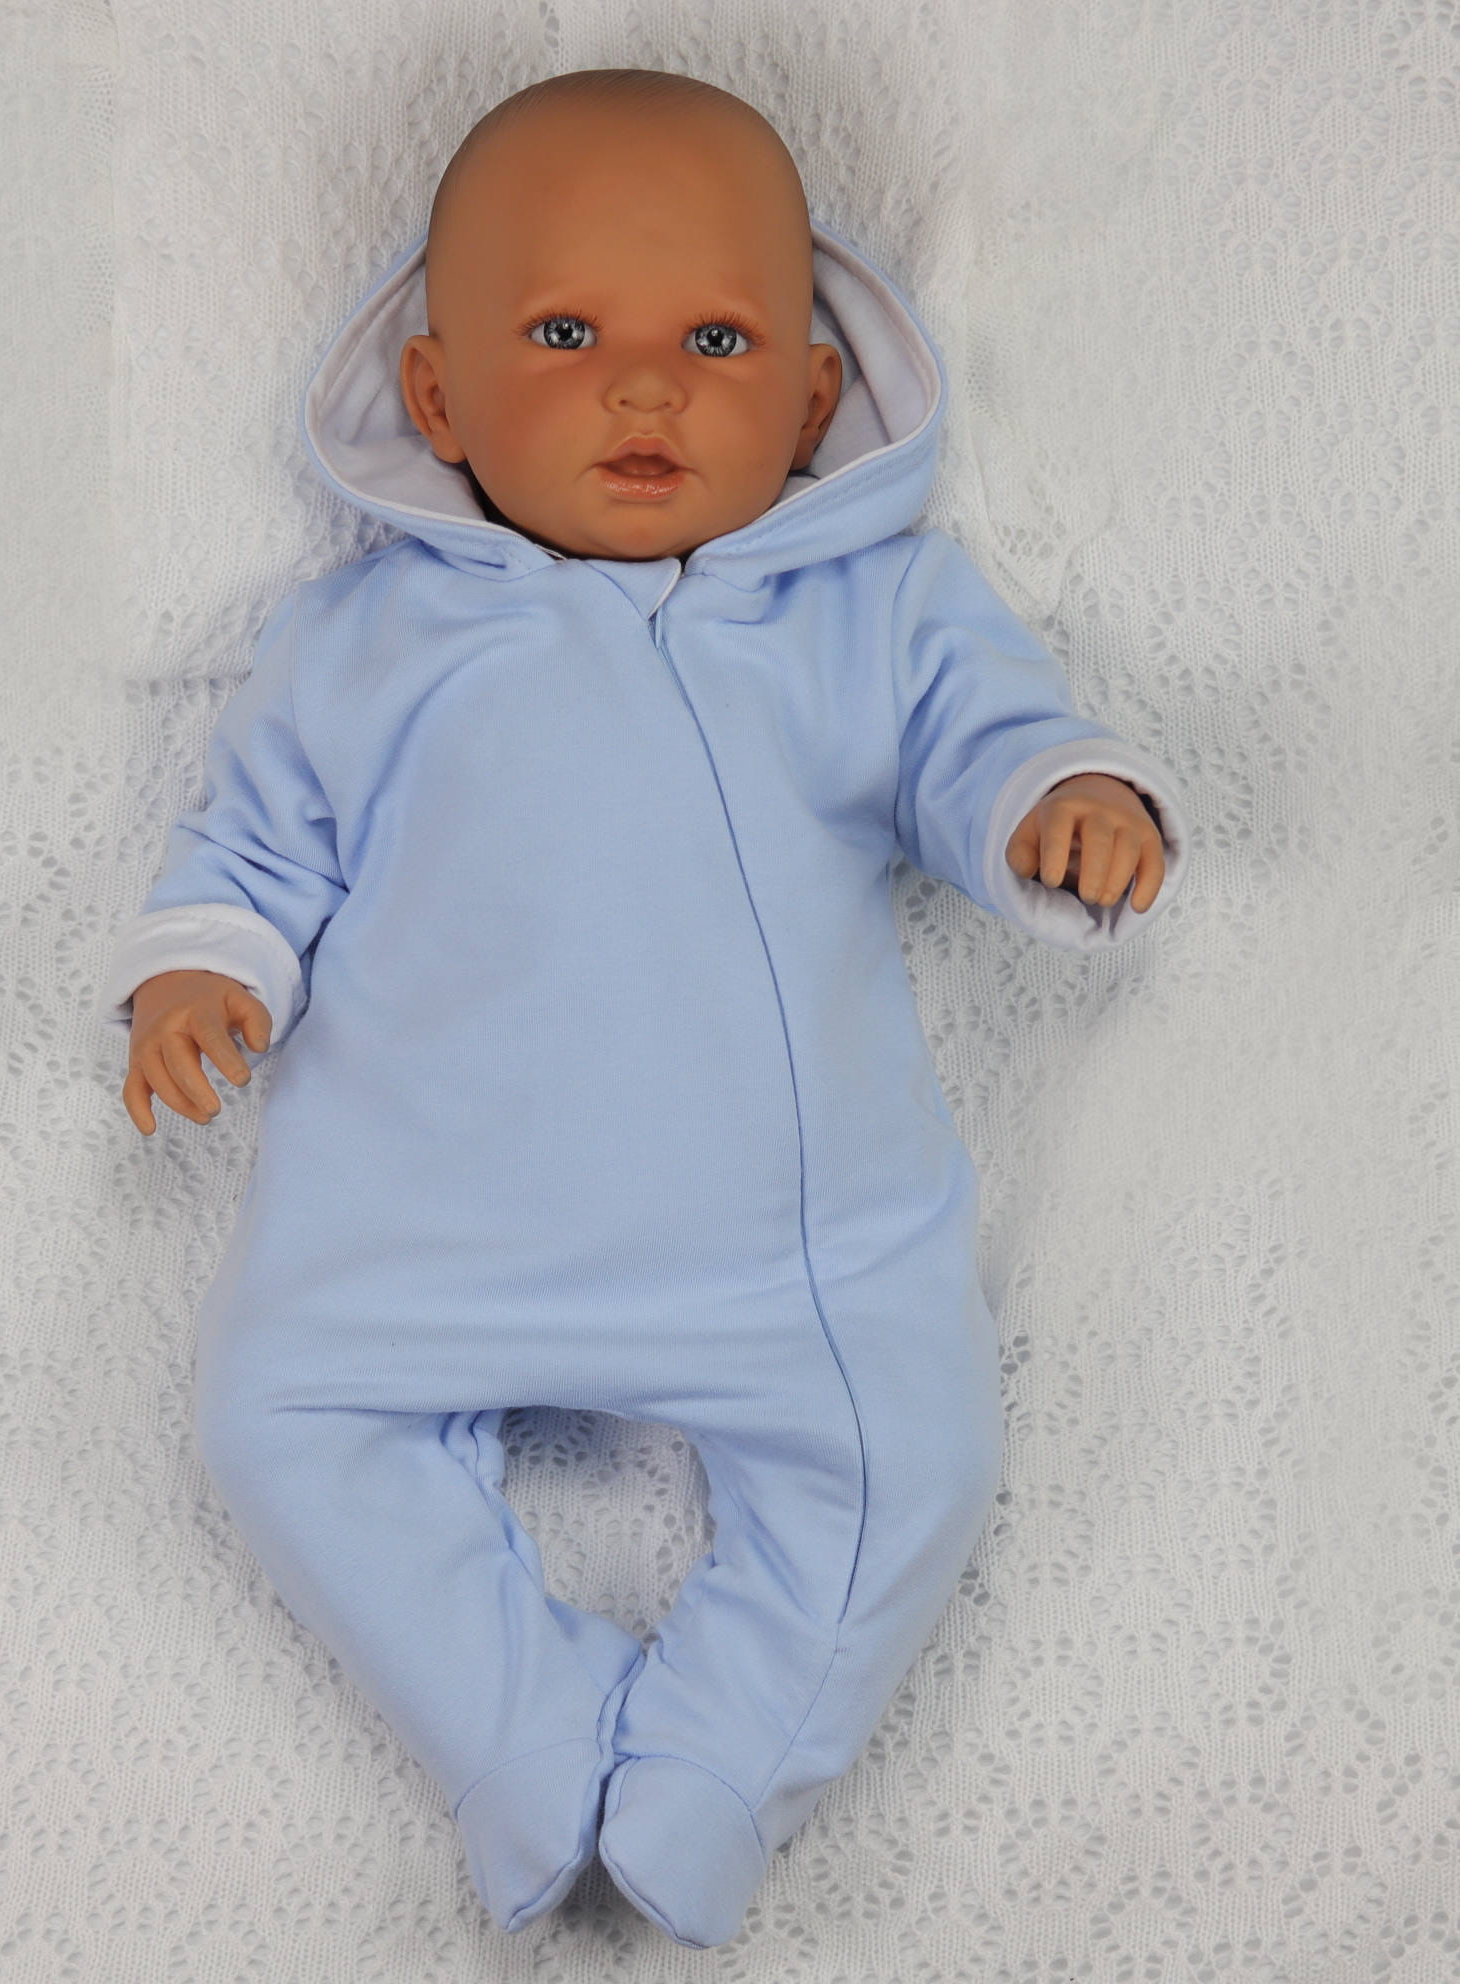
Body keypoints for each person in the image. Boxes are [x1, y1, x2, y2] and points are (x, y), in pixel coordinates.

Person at [97, 67, 1189, 1951]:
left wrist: (1057, 798)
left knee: (912, 1464)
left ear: (814, 399)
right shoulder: (364, 639)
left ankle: (712, 1772)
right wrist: (202, 965)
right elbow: (258, 841)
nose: (643, 388)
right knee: (274, 1421)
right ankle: (520, 1739)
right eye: (560, 334)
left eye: (715, 340)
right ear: (437, 396)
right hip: (414, 1239)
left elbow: (982, 735)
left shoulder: (868, 611)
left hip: (789, 1255)